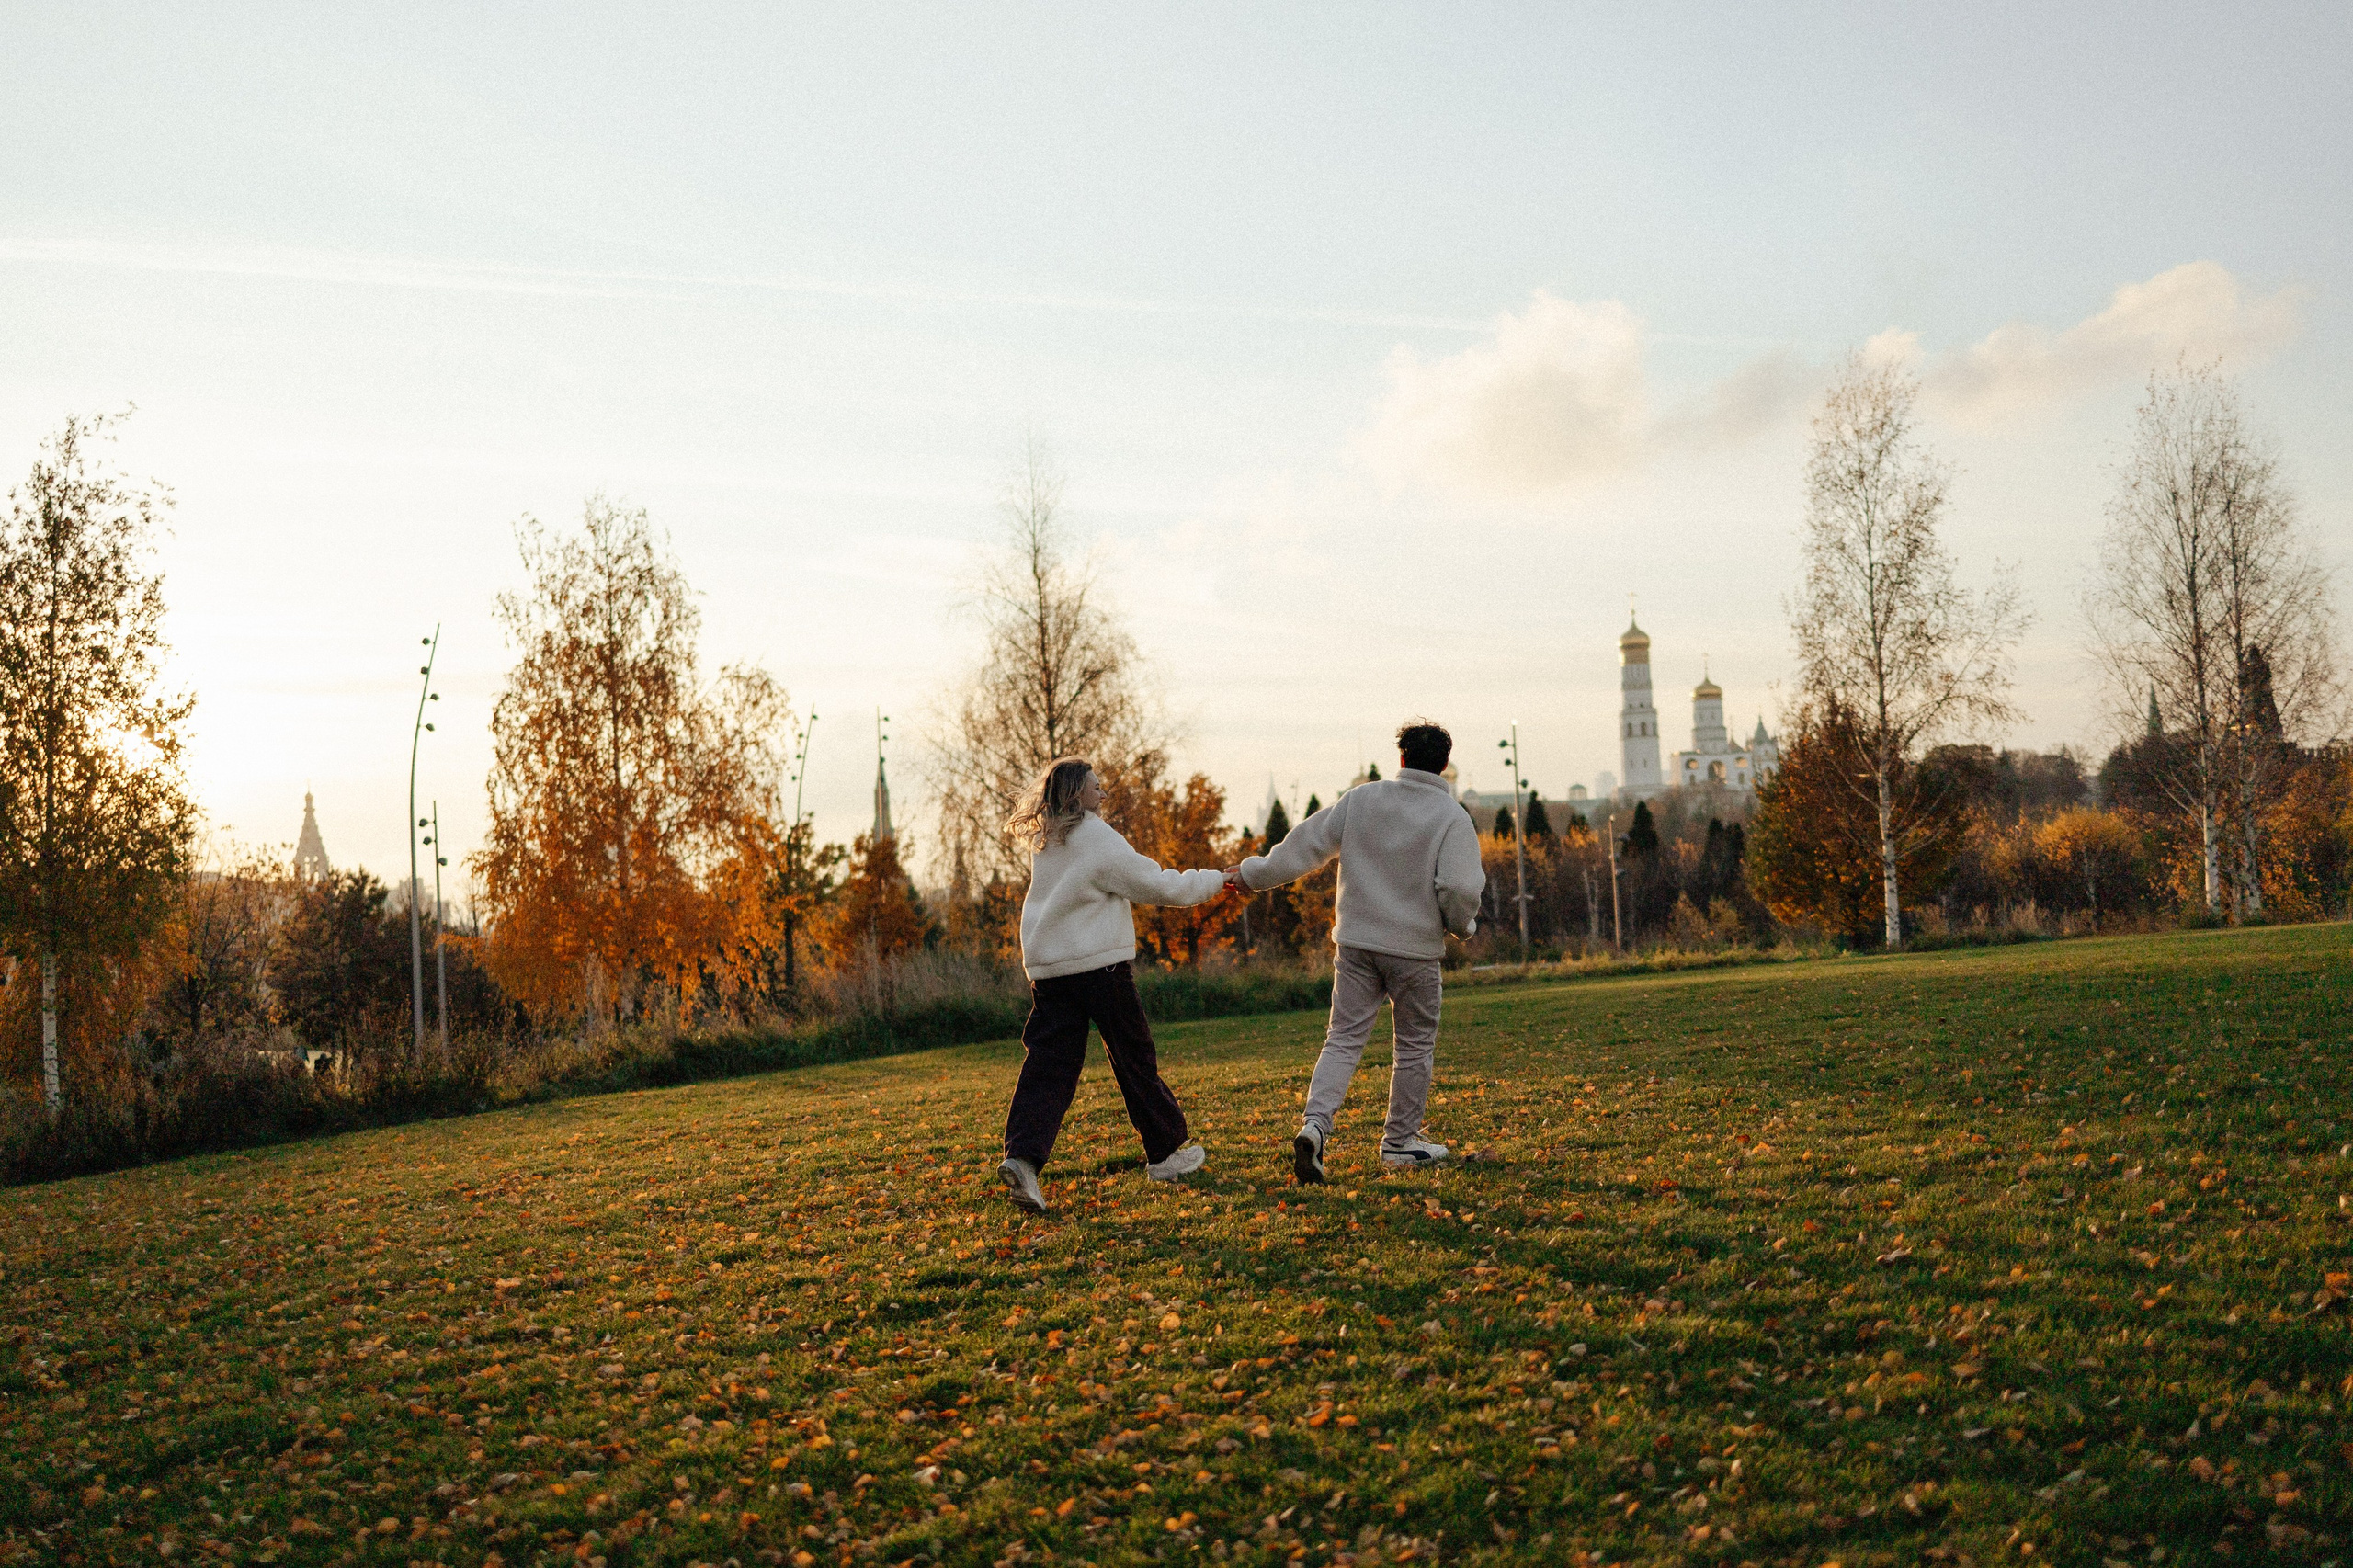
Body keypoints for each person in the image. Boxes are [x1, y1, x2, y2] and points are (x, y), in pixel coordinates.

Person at [1225, 720, 1483, 1183]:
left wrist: (1250, 874)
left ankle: (1315, 1128)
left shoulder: (1362, 799)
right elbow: (1461, 887)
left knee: (1342, 1039)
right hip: (1414, 951)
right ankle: (1401, 1143)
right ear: (1443, 764)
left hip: (1357, 944)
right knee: (1414, 1045)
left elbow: (1301, 848)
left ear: (1401, 759)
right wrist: (1461, 926)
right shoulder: (1452, 817)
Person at [996, 756, 1228, 1213]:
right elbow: (1158, 885)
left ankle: (1022, 1158)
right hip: (1101, 970)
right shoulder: (1094, 836)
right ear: (1076, 794)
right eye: (1095, 787)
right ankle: (1165, 1155)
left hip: (1049, 972)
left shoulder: (1049, 840)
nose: (1104, 794)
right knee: (1133, 1057)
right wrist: (1217, 881)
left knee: (1050, 1065)